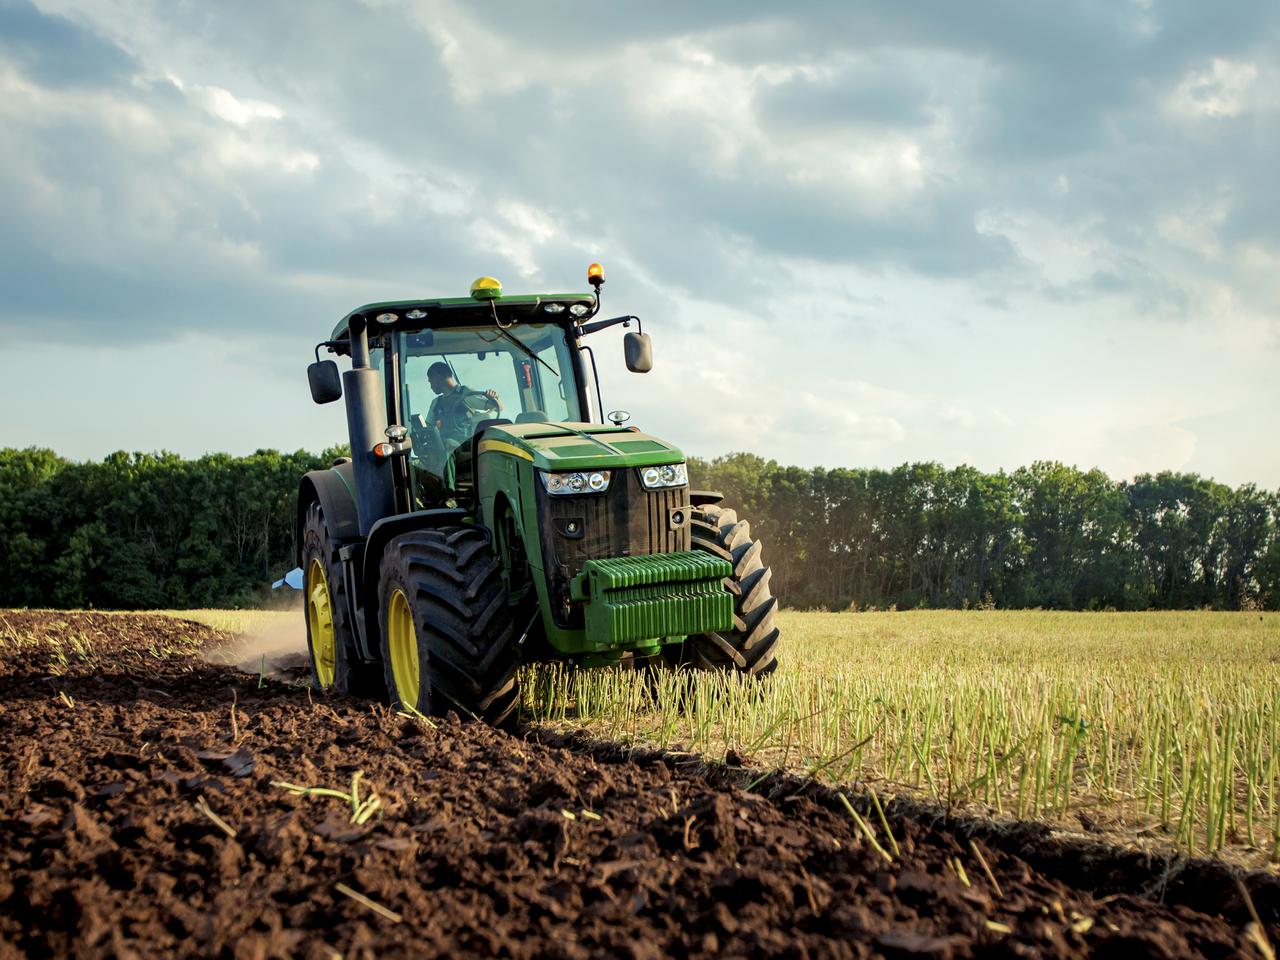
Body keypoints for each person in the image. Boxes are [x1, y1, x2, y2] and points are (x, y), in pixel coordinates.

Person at [425, 361, 502, 452]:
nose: (431, 386)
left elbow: (498, 408)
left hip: (466, 448)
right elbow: (428, 429)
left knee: (448, 444)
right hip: (444, 451)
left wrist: (495, 398)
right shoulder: (436, 403)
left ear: (437, 378)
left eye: (431, 381)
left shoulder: (465, 393)